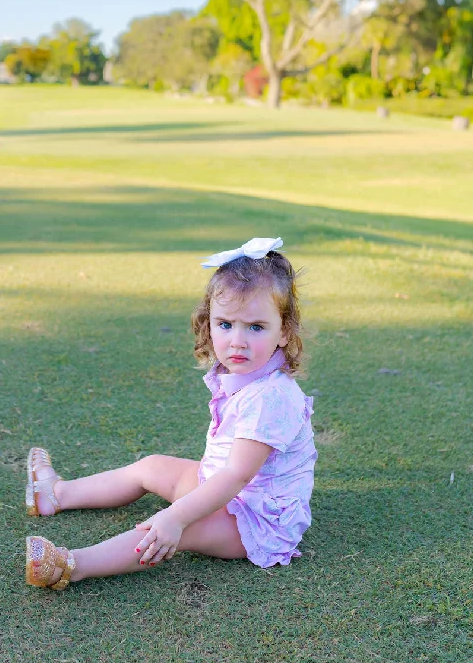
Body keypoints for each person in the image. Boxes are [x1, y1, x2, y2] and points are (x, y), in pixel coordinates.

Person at [25, 237, 317, 589]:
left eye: (255, 327)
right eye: (225, 324)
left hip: (256, 520)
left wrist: (175, 516)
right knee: (151, 467)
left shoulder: (272, 397)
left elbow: (237, 476)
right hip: (220, 486)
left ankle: (72, 564)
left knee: (179, 527)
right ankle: (58, 494)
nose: (237, 340)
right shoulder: (243, 374)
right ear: (209, 323)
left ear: (284, 331)